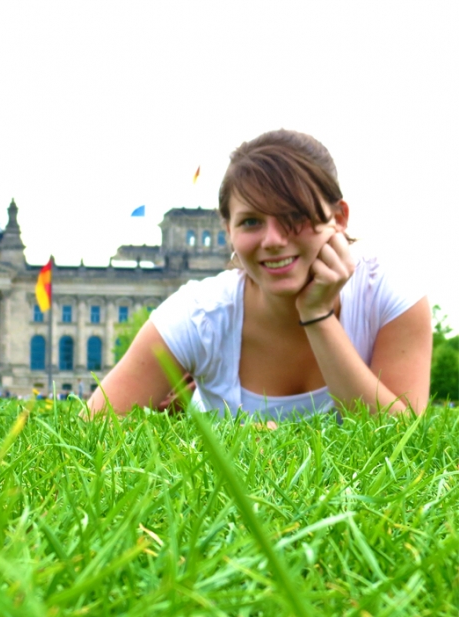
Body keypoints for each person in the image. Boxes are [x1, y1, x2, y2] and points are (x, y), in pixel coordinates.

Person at [88, 129, 432, 419]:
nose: (273, 240)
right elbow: (91, 430)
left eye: (294, 215)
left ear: (339, 218)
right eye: (251, 221)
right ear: (228, 231)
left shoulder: (387, 292)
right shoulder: (200, 313)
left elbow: (405, 441)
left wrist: (317, 315)